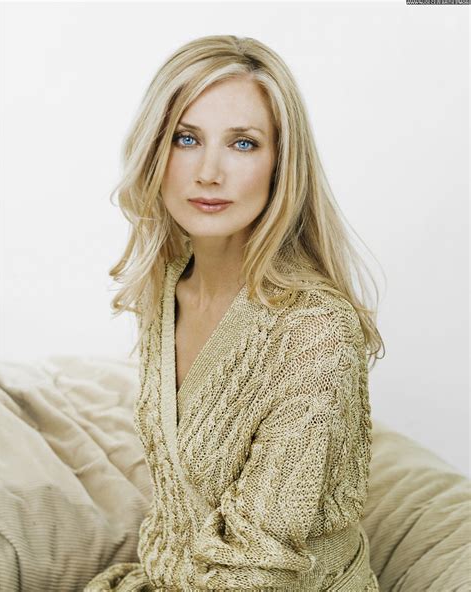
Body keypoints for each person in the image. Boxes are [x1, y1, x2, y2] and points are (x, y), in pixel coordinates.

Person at [84, 34, 383, 591]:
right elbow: (176, 509)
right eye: (186, 138)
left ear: (281, 165)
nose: (208, 172)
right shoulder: (166, 287)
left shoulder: (316, 331)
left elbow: (260, 567)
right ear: (155, 152)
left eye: (243, 144)